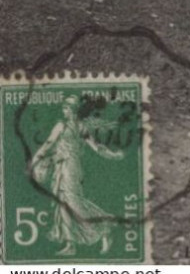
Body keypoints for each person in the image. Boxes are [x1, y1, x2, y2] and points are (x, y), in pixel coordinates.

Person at [27, 96, 123, 257]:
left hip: (72, 167)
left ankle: (104, 228)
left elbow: (96, 147)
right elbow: (49, 144)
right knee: (62, 202)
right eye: (64, 108)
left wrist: (113, 155)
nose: (64, 111)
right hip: (60, 166)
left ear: (73, 110)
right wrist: (37, 157)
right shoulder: (61, 125)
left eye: (67, 108)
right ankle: (70, 244)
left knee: (73, 202)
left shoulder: (80, 127)